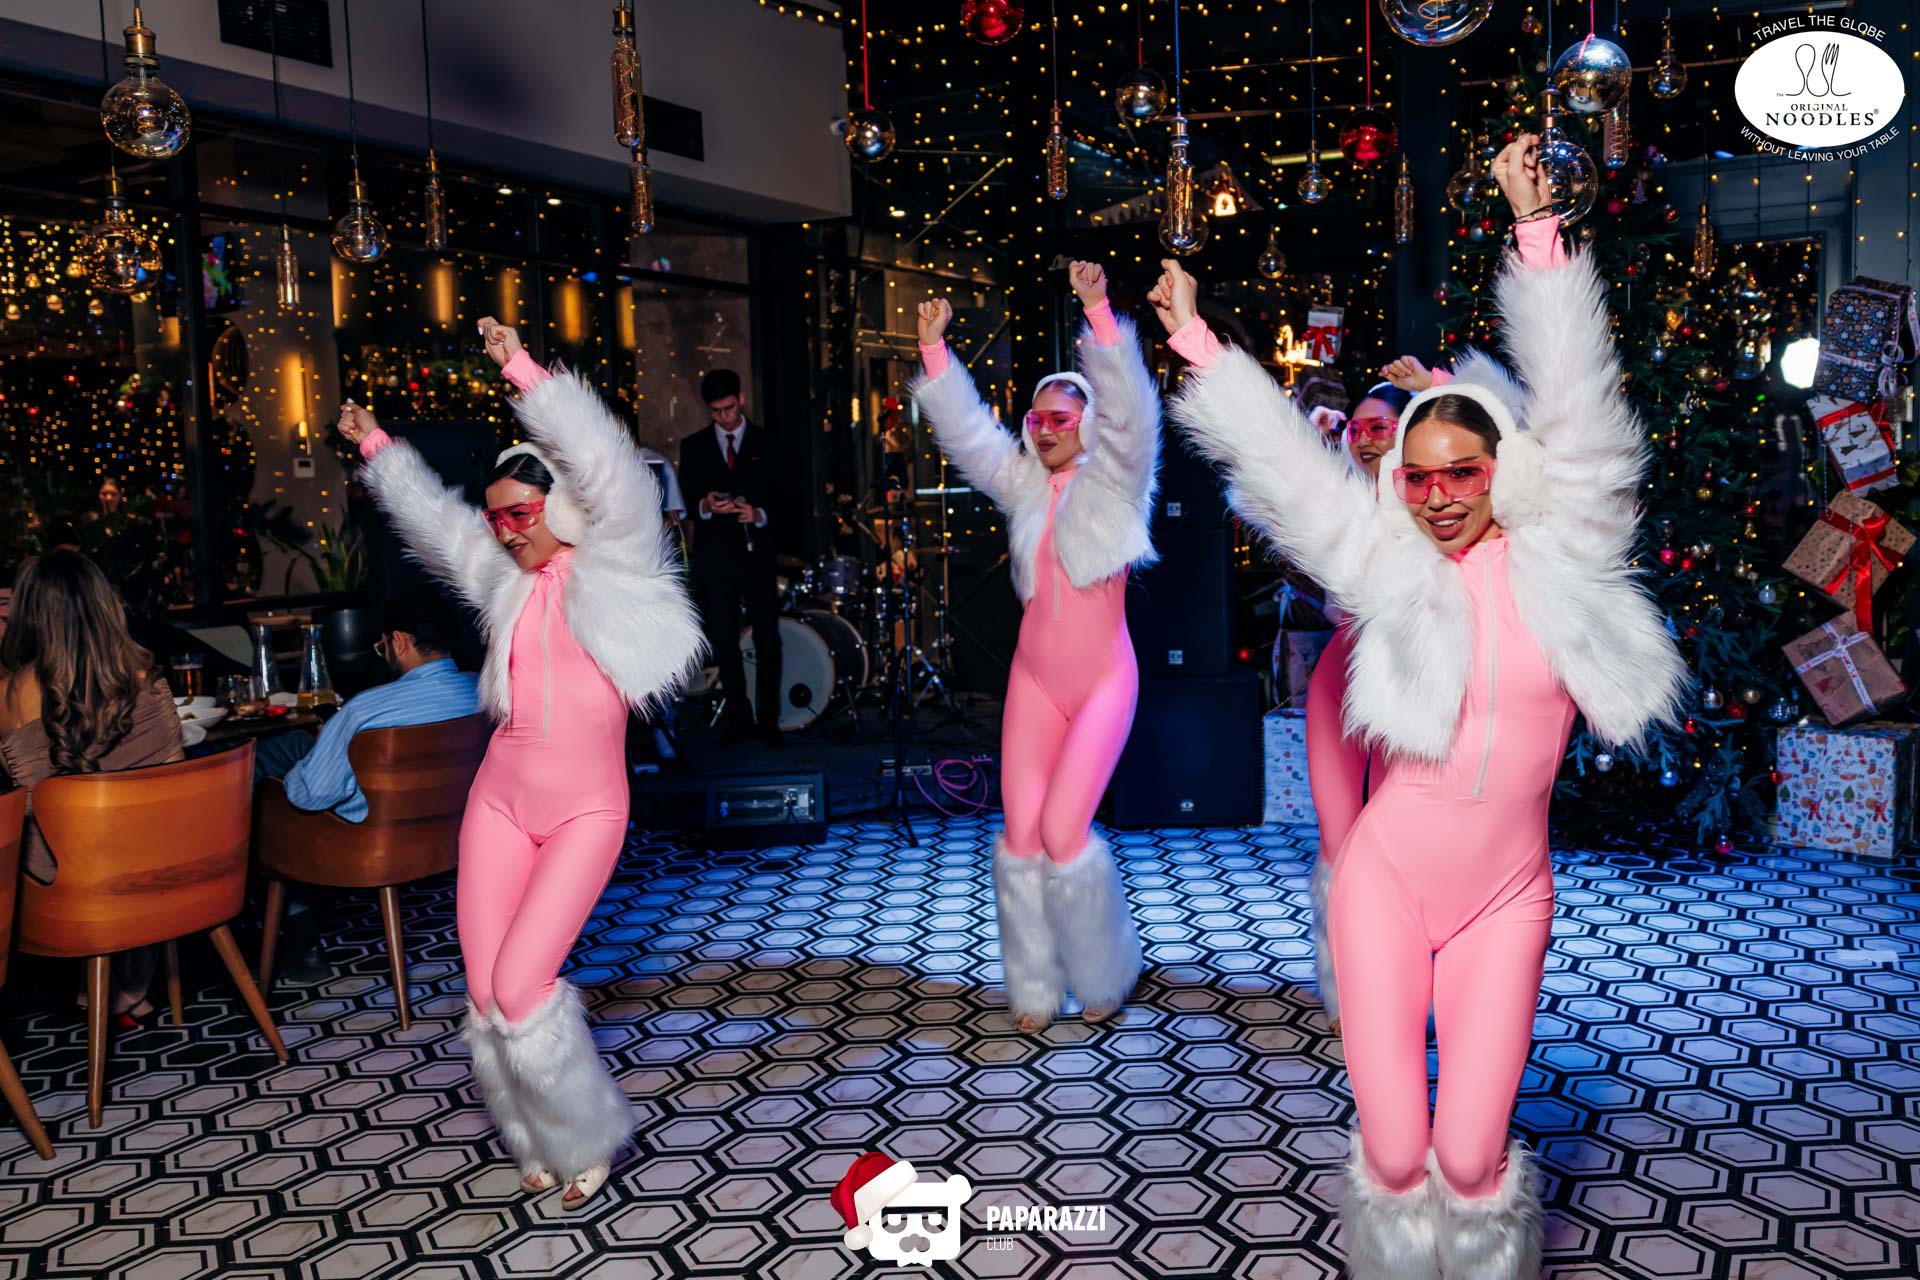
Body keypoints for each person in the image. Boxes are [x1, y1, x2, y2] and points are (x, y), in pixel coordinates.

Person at [1155, 138, 1687, 1279]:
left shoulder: (1565, 556)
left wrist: (1538, 238)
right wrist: (1198, 343)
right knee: (1395, 1157)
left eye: (1463, 472)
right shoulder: (1384, 566)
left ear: (1505, 470)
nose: (1439, 497)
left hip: (1506, 898)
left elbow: (1583, 410)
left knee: (1472, 1154)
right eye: (1417, 476)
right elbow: (1288, 471)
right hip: (1384, 888)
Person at [334, 315, 703, 1209]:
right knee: (484, 991)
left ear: (560, 509)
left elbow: (608, 467)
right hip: (497, 800)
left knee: (521, 982)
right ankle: (531, 1134)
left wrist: (526, 373)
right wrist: (377, 447)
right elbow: (434, 520)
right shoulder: (503, 578)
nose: (503, 533)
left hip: (585, 811)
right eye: (495, 517)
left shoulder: (616, 566)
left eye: (520, 515)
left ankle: (584, 1137)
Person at [912, 262, 1159, 1033]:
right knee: (1020, 837)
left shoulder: (1115, 481)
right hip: (1034, 681)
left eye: (1061, 418)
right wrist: (934, 355)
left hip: (1103, 681)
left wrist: (1100, 315)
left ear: (1087, 425)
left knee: (1062, 832)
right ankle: (1035, 987)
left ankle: (1103, 972)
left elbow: (1132, 418)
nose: (1045, 429)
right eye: (1037, 417)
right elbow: (968, 435)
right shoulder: (1023, 482)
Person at [252, 590, 482, 985]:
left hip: (368, 842)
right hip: (450, 834)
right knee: (300, 749)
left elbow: (311, 795)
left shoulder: (365, 709)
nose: (384, 654)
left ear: (400, 641)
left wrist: (309, 761)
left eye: (383, 646)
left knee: (268, 777)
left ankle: (293, 939)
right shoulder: (482, 691)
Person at [0, 550, 185, 1022]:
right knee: (140, 827)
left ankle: (100, 989)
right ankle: (125, 988)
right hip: (163, 870)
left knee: (41, 828)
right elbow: (177, 787)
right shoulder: (146, 676)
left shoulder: (14, 693)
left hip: (69, 881)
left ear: (28, 614)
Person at [677, 369, 783, 745]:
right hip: (716, 556)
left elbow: (786, 496)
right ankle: (740, 721)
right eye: (716, 411)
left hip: (757, 554)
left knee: (767, 637)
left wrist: (759, 514)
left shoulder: (767, 442)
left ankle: (768, 722)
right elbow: (687, 497)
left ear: (741, 400)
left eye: (729, 408)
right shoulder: (694, 446)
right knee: (723, 638)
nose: (724, 416)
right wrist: (706, 505)